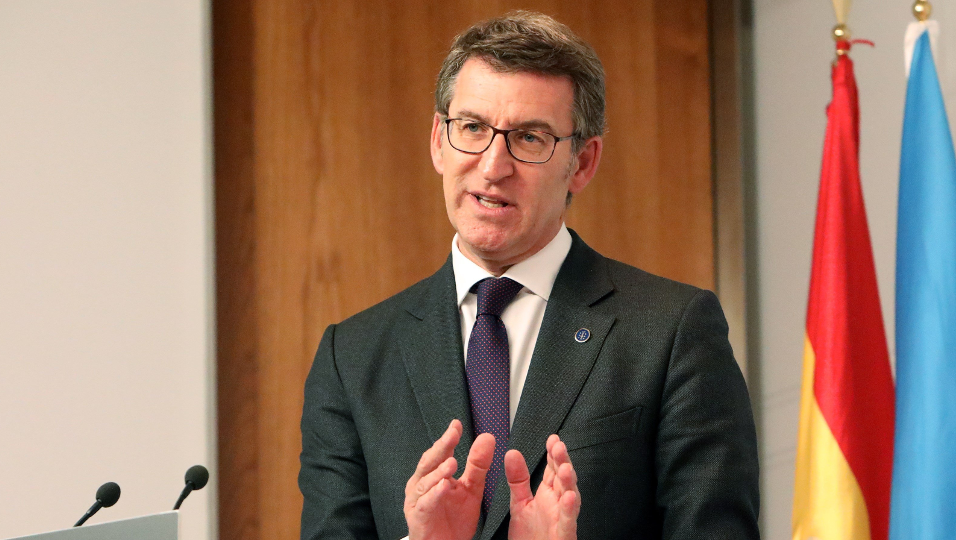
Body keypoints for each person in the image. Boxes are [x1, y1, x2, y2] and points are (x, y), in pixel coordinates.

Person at [299, 11, 759, 540]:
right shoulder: (351, 357)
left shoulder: (673, 332)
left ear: (581, 163)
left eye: (529, 138)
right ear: (438, 141)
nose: (493, 166)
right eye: (472, 128)